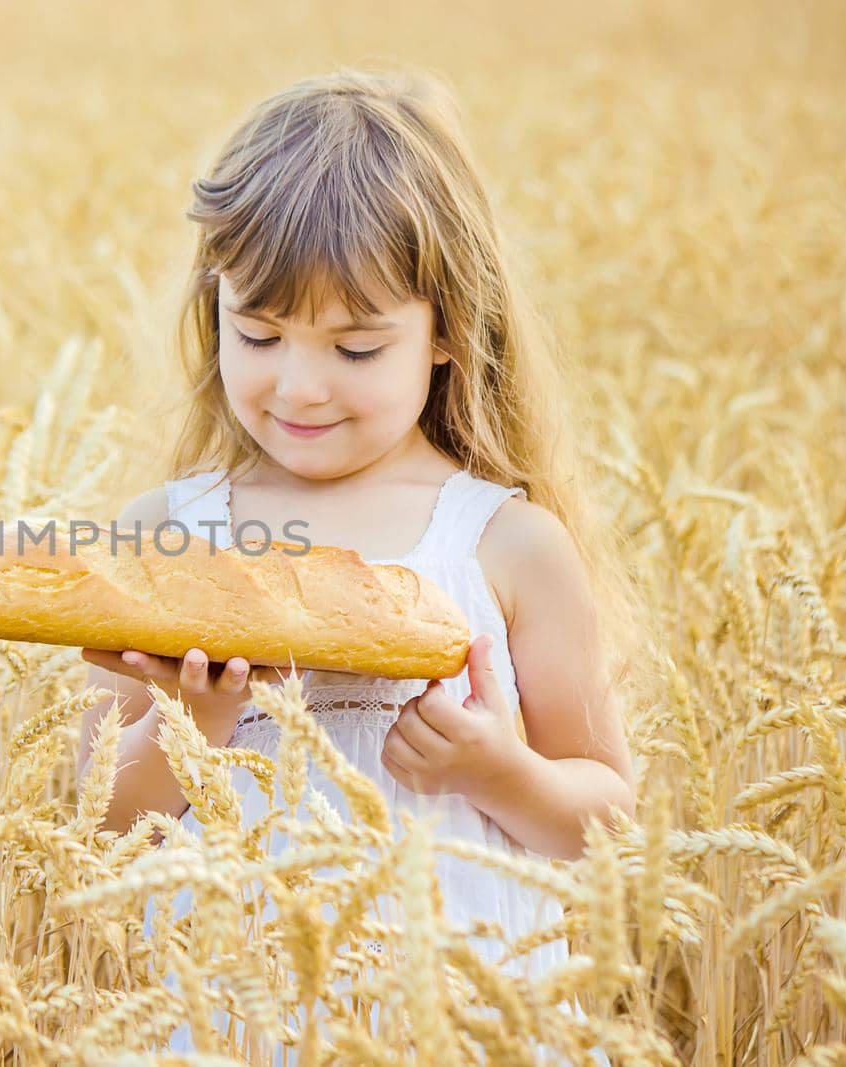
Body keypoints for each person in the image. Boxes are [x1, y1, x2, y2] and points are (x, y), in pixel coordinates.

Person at [74, 66, 646, 1065]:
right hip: (236, 1024)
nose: (298, 385)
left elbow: (609, 822)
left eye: (355, 347)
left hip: (467, 1026)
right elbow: (93, 818)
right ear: (214, 309)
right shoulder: (168, 532)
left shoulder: (504, 544)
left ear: (445, 337)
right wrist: (195, 726)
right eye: (258, 332)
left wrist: (497, 770)